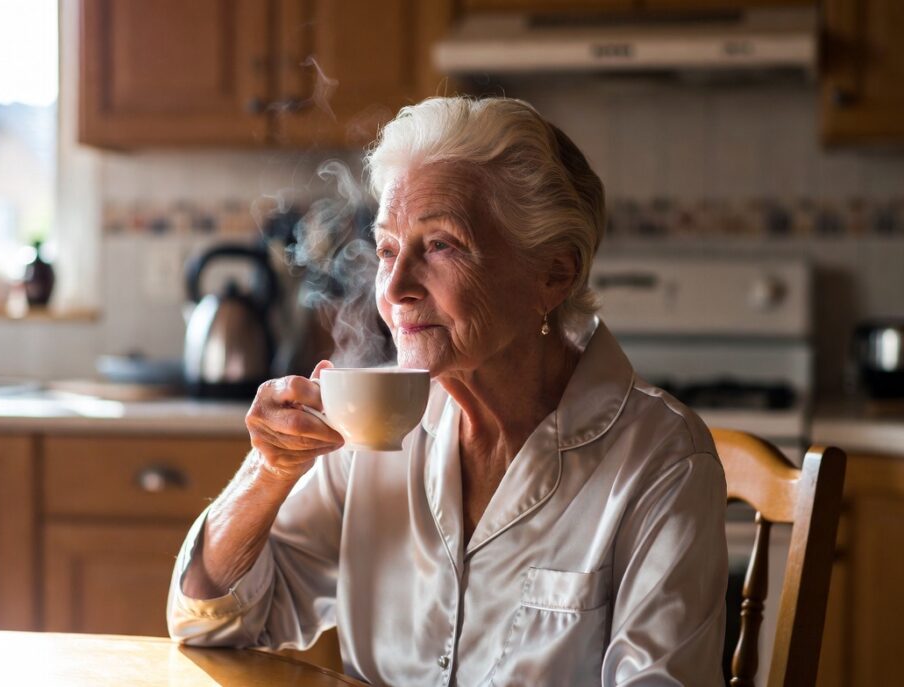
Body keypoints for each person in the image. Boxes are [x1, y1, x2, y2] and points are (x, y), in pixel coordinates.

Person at [167, 97, 728, 686]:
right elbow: (210, 624)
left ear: (554, 274)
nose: (397, 288)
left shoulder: (662, 459)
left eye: (440, 245)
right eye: (387, 249)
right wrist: (270, 471)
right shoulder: (366, 426)